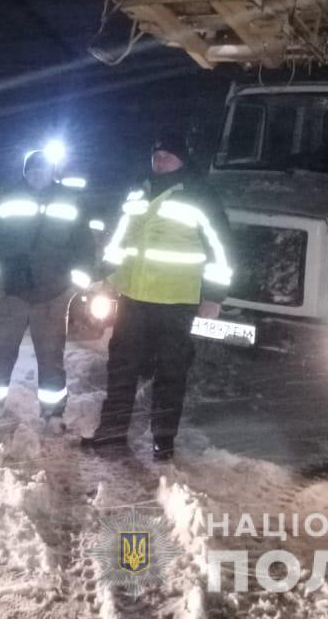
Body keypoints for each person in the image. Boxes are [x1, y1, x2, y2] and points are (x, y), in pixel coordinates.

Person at [81, 128, 233, 461]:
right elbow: (119, 240)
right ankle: (111, 433)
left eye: (167, 155)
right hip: (134, 297)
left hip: (175, 301)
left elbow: (221, 248)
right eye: (156, 155)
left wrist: (214, 296)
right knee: (121, 367)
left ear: (182, 159)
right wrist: (105, 277)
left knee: (171, 372)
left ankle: (163, 442)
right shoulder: (139, 192)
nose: (160, 160)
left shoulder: (198, 195)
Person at [0, 149, 97, 420]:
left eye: (42, 170)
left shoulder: (71, 202)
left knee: (51, 358)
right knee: (0, 353)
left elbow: (86, 250)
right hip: (11, 295)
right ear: (25, 172)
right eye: (32, 170)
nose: (37, 175)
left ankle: (53, 414)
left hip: (53, 296)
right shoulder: (6, 198)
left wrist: (71, 290)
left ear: (52, 172)